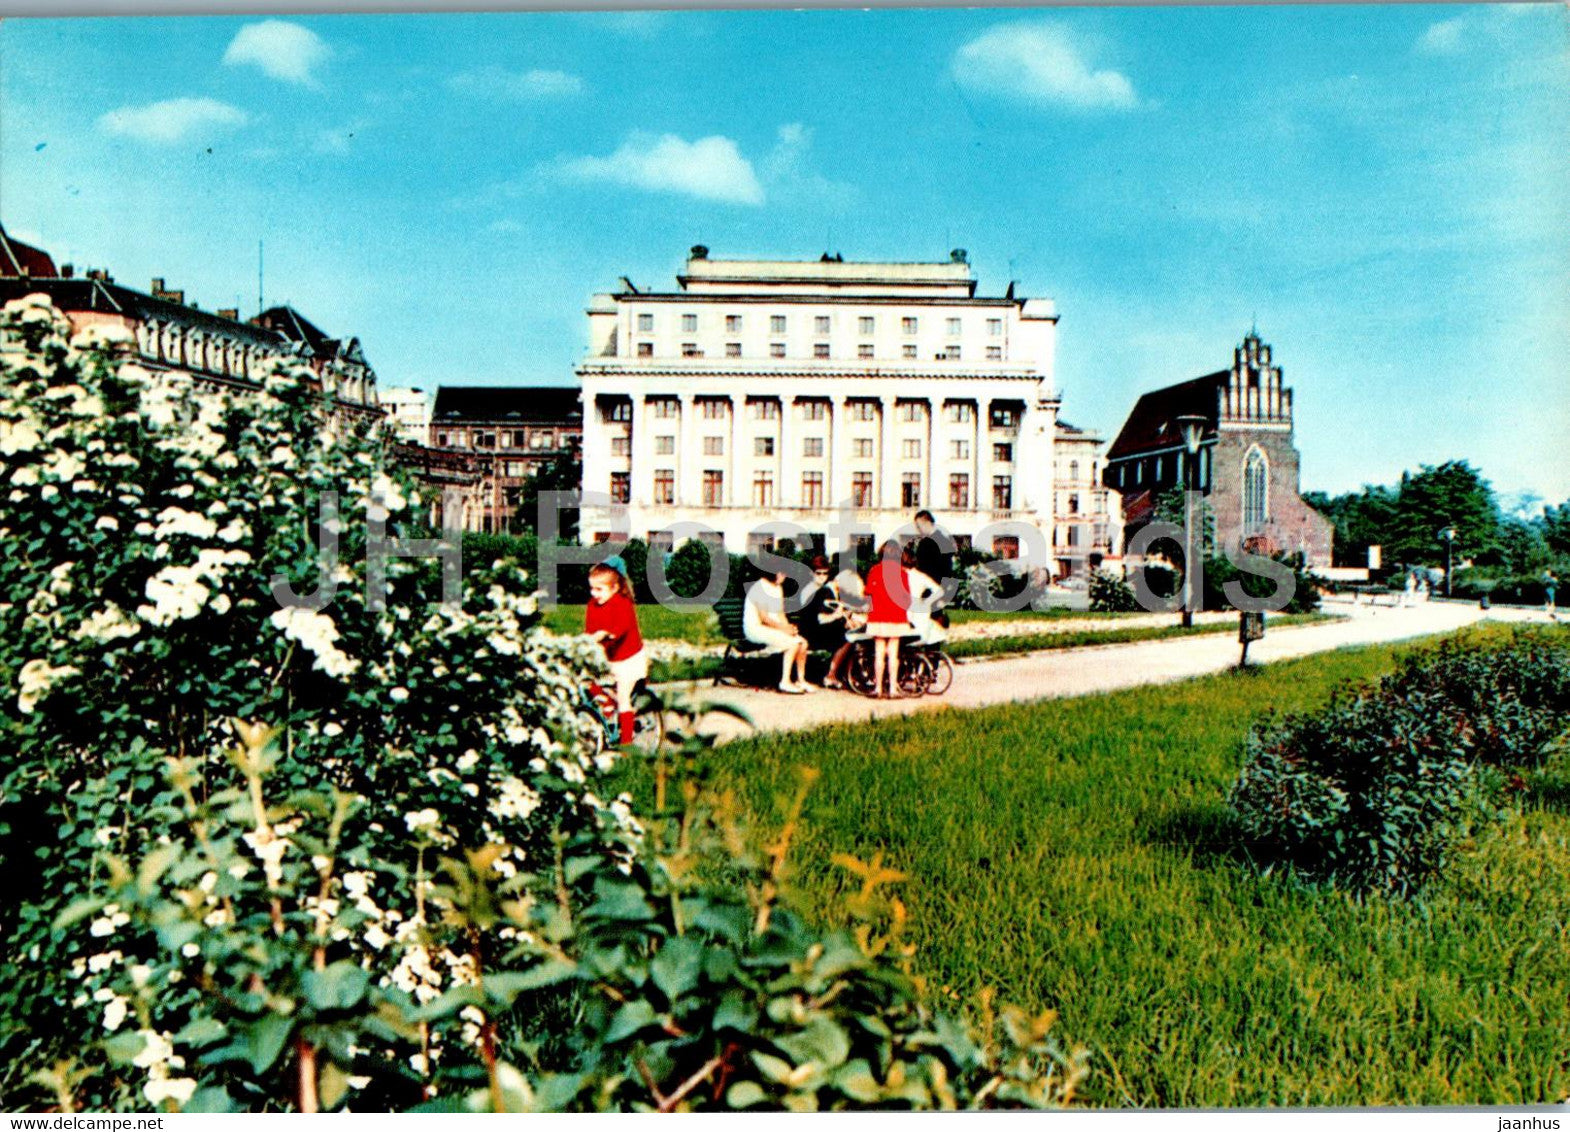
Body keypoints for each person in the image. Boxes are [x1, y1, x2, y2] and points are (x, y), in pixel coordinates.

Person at [585, 561, 646, 746]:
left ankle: (627, 741)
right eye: (592, 589)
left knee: (623, 696)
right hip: (610, 656)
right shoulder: (593, 605)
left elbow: (621, 628)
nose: (594, 594)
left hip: (629, 658)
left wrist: (606, 633)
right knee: (585, 680)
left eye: (599, 589)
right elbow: (590, 629)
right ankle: (607, 703)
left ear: (614, 588)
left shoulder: (623, 604)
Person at [744, 563, 814, 694]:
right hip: (755, 629)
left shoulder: (777, 588)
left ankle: (801, 680)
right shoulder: (759, 587)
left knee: (802, 643)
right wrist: (783, 629)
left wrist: (788, 628)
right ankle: (785, 682)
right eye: (782, 573)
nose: (784, 576)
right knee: (792, 643)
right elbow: (764, 618)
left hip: (770, 628)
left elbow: (780, 614)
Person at [797, 555, 863, 689]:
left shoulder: (811, 588)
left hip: (808, 629)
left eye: (825, 573)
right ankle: (831, 675)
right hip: (812, 632)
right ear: (812, 573)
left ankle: (842, 673)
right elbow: (821, 619)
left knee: (849, 629)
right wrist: (837, 615)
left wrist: (842, 617)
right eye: (818, 573)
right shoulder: (821, 591)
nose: (822, 576)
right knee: (849, 637)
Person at [863, 539, 913, 698]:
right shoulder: (903, 573)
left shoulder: (874, 571)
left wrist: (868, 613)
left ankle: (878, 688)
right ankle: (892, 689)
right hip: (896, 617)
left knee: (879, 653)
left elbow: (868, 596)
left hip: (877, 616)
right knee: (893, 654)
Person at [912, 509, 954, 598]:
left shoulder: (925, 543)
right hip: (942, 586)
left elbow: (922, 567)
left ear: (926, 523)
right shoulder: (945, 540)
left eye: (918, 526)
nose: (918, 530)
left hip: (928, 587)